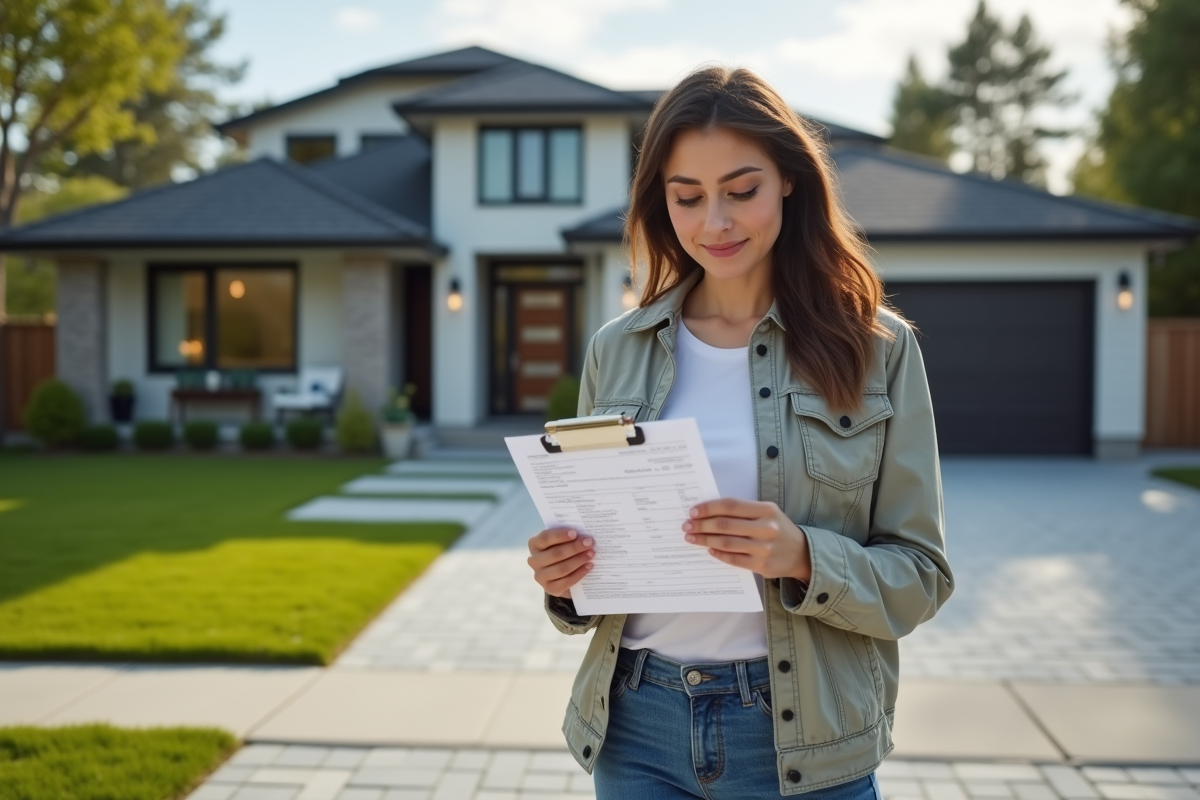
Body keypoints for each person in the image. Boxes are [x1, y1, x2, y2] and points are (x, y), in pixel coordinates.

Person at [526, 65, 953, 800]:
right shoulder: (617, 348)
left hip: (802, 741)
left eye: (741, 190)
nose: (714, 223)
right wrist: (567, 581)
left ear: (789, 178)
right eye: (687, 197)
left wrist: (802, 556)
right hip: (637, 730)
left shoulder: (877, 349)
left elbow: (921, 578)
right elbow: (601, 576)